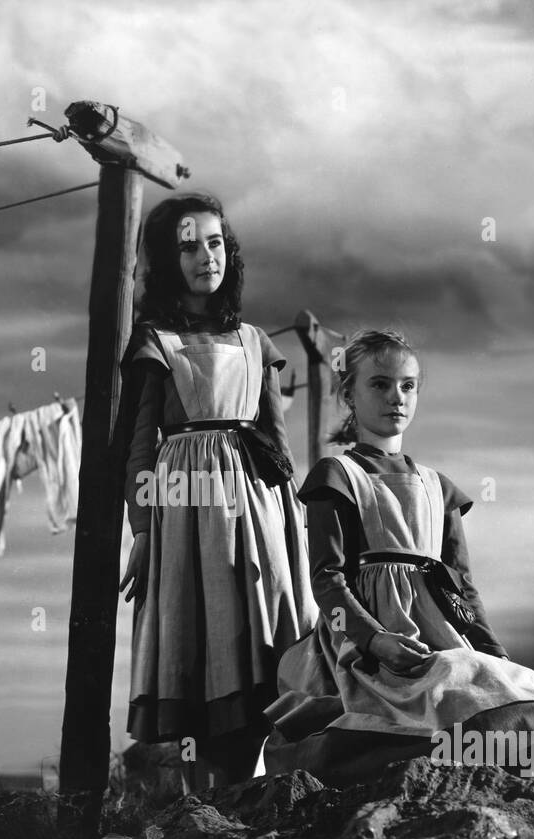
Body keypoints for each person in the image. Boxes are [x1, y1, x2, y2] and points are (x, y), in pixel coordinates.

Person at [261, 328, 534, 786]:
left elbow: (461, 587)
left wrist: (496, 656)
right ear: (349, 393)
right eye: (380, 384)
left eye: (408, 386)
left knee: (489, 681)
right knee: (443, 686)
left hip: (441, 632)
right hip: (368, 648)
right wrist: (375, 641)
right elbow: (327, 581)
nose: (397, 398)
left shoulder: (436, 485)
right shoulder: (338, 474)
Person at [114, 192, 318, 791]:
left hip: (257, 509)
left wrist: (293, 536)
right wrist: (145, 530)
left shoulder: (256, 342)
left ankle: (247, 793)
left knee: (265, 642)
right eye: (188, 245)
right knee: (201, 644)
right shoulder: (155, 340)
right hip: (183, 506)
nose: (207, 256)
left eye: (215, 241)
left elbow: (279, 451)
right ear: (165, 257)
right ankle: (204, 800)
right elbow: (139, 448)